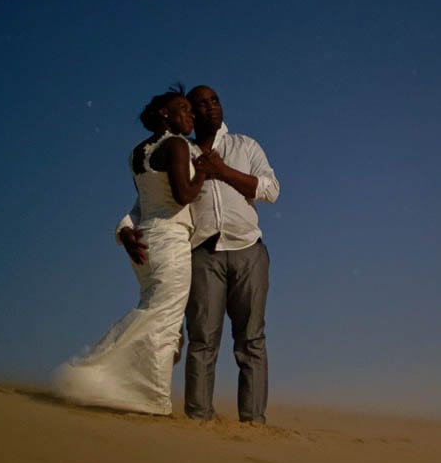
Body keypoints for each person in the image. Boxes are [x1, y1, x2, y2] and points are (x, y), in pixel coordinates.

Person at [117, 85, 279, 424]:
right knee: (203, 339)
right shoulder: (179, 150)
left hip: (248, 248)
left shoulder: (244, 145)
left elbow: (270, 190)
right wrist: (123, 230)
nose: (208, 108)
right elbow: (145, 203)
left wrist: (223, 172)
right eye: (199, 104)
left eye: (214, 100)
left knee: (251, 340)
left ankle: (253, 423)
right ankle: (199, 420)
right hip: (202, 254)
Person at [55, 89, 209, 415]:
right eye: (182, 109)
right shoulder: (178, 145)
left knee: (156, 313)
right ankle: (103, 377)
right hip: (170, 241)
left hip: (144, 241)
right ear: (164, 114)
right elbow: (183, 195)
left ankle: (145, 394)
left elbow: (144, 203)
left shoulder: (138, 152)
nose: (190, 115)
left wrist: (124, 229)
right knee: (163, 319)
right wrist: (205, 174)